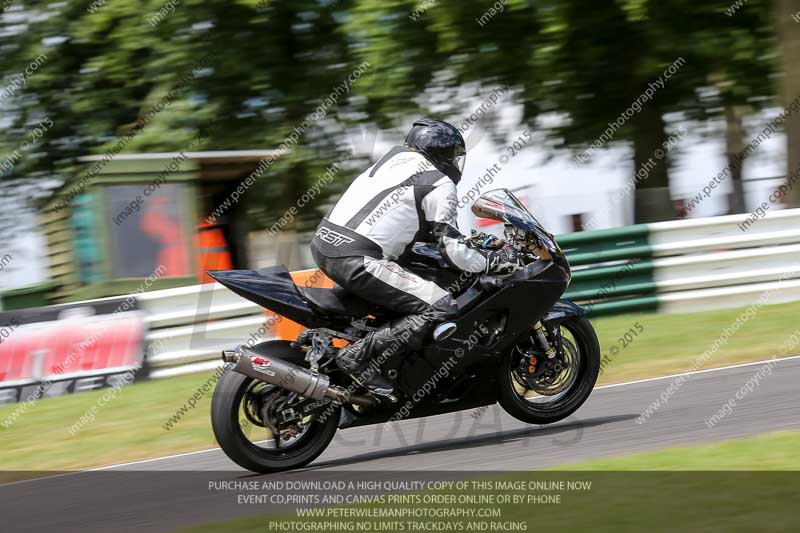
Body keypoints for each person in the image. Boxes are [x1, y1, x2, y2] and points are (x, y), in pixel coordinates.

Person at [310, 118, 522, 397]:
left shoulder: (391, 161)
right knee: (440, 306)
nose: (455, 163)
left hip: (325, 245)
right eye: (453, 156)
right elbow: (454, 251)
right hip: (358, 259)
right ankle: (357, 358)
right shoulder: (439, 182)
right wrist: (491, 261)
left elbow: (401, 218)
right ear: (441, 153)